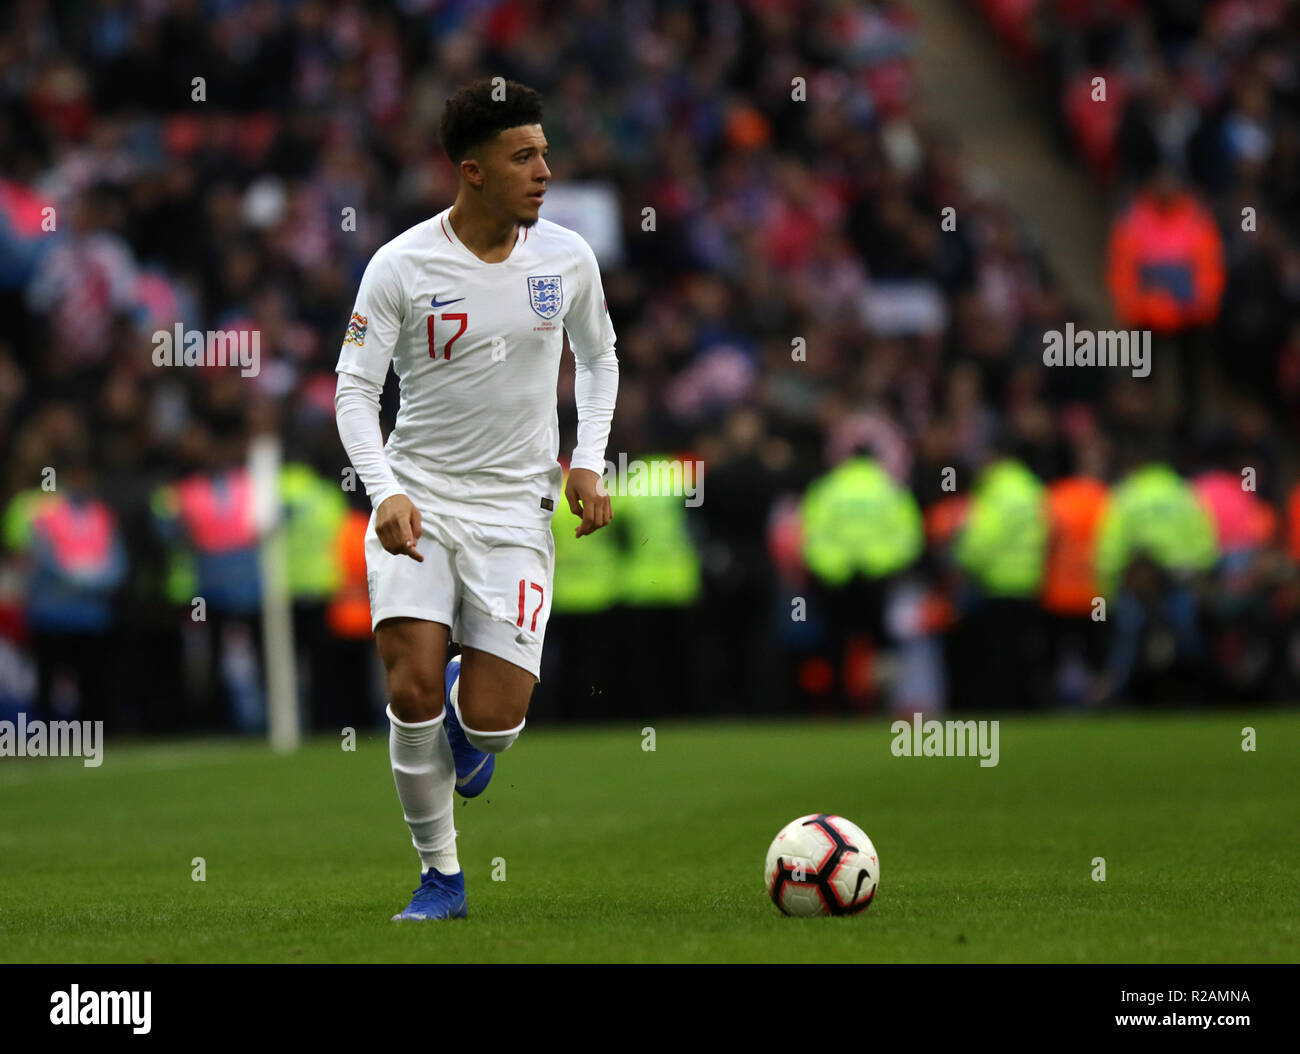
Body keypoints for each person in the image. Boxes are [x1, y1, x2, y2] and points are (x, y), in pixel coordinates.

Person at [334, 79, 618, 920]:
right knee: (411, 689)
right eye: (523, 156)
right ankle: (441, 879)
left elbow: (600, 359)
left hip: (515, 510)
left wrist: (588, 461)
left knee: (491, 725)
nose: (544, 170)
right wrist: (382, 490)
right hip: (419, 496)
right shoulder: (401, 265)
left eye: (543, 152)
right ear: (473, 172)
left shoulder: (565, 258)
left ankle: (472, 716)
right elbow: (354, 388)